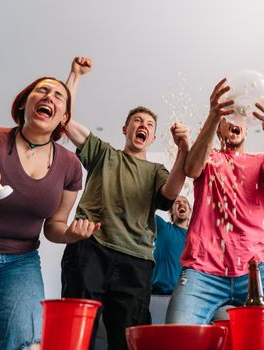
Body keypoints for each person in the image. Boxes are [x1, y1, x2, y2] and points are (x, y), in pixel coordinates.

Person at [0, 76, 99, 350]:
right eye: (41, 90)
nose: (48, 97)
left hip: (19, 263)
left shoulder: (71, 166)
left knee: (28, 346)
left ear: (63, 119)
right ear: (24, 103)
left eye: (58, 96)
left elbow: (54, 226)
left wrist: (71, 234)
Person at [61, 57, 189, 350]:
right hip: (89, 249)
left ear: (153, 136)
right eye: (137, 121)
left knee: (129, 342)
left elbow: (170, 193)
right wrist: (76, 75)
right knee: (76, 336)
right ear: (125, 129)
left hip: (136, 261)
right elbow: (64, 121)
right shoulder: (103, 154)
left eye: (149, 125)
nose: (142, 126)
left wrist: (183, 150)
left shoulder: (157, 172)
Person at [166, 78, 264, 324]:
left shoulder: (258, 159)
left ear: (248, 128)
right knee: (177, 334)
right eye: (228, 119)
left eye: (241, 121)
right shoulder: (208, 156)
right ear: (220, 128)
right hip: (201, 270)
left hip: (255, 269)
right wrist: (213, 116)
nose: (235, 123)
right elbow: (192, 168)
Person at [151, 195, 192, 295]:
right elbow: (145, 210)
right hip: (156, 293)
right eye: (177, 202)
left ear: (190, 211)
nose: (181, 203)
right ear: (171, 211)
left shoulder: (196, 238)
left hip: (183, 297)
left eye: (185, 202)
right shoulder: (162, 227)